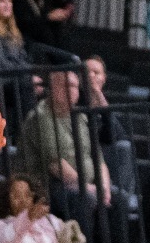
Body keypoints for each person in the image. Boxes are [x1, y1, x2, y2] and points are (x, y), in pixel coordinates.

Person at [20, 70, 110, 220]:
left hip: (83, 185)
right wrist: (88, 187)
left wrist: (104, 188)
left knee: (119, 200)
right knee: (85, 198)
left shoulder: (80, 118)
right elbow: (56, 166)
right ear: (53, 87)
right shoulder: (41, 116)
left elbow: (99, 161)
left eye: (75, 86)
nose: (72, 91)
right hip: (49, 185)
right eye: (66, 86)